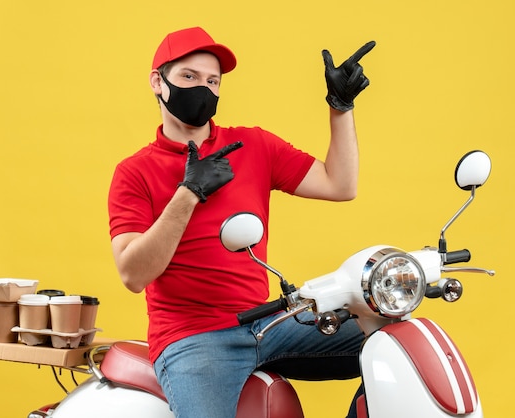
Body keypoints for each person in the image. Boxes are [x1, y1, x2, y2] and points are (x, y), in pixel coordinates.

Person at [108, 26, 375, 418]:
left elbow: (340, 184)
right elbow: (133, 274)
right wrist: (188, 193)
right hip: (194, 339)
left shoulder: (252, 145)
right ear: (157, 82)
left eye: (212, 81)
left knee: (393, 341)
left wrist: (341, 107)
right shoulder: (134, 172)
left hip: (268, 323)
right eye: (189, 77)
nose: (203, 88)